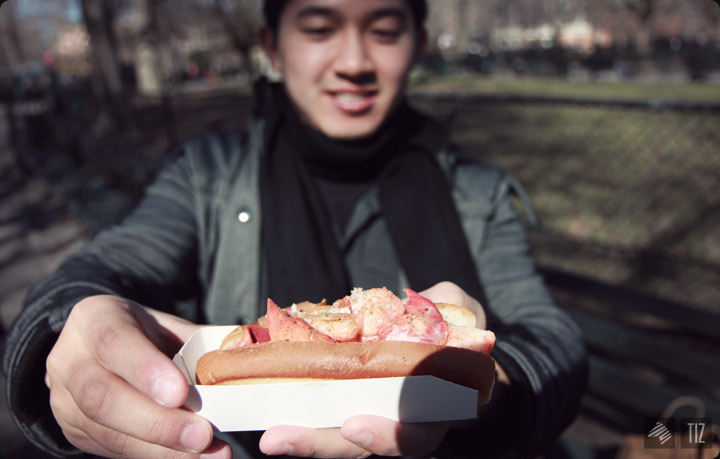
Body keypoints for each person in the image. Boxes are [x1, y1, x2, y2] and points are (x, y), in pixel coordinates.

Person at [3, 0, 587, 458]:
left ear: (417, 45)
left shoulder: (479, 193)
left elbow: (552, 337)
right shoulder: (208, 174)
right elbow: (108, 265)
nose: (354, 61)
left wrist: (486, 389)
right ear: (272, 47)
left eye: (385, 31)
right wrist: (69, 337)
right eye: (318, 29)